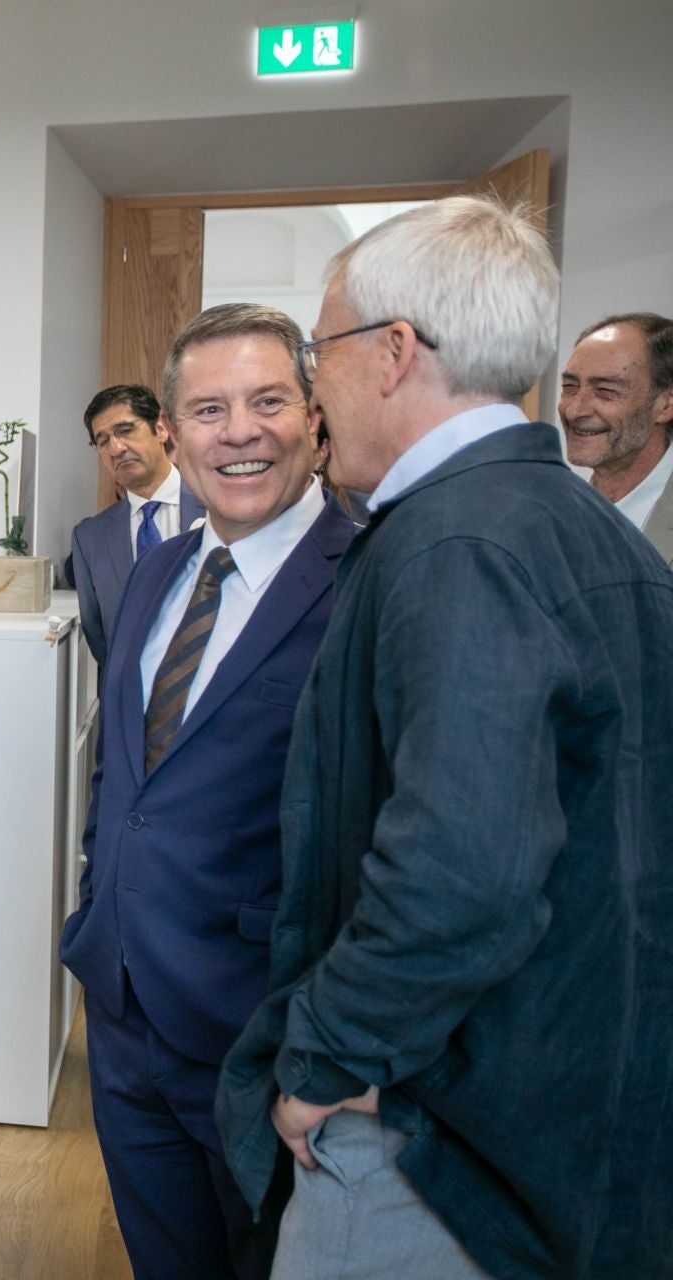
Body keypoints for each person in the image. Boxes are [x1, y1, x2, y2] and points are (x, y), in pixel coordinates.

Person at [217, 196, 673, 1280]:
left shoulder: (456, 545)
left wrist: (324, 1057)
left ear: (392, 352)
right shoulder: (589, 531)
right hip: (570, 1120)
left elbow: (462, 865)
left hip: (441, 1151)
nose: (313, 383)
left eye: (315, 351)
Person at [57, 304, 354, 1280]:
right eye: (209, 407)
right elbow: (124, 771)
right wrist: (100, 905)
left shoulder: (371, 577)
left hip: (262, 1030)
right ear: (174, 432)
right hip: (125, 1008)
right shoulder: (159, 571)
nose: (239, 430)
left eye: (267, 400)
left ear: (314, 416)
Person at [65, 384, 205, 670]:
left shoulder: (216, 508)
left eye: (125, 430)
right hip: (130, 702)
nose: (115, 448)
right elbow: (99, 638)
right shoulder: (90, 539)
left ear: (161, 429)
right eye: (102, 441)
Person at [559, 311, 673, 561]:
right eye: (570, 387)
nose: (575, 410)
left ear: (666, 404)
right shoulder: (554, 515)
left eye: (605, 391)